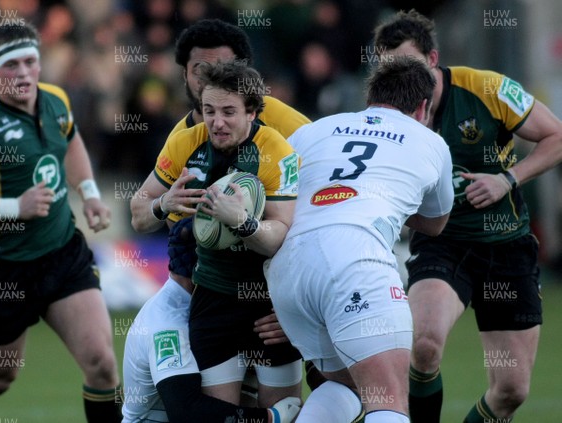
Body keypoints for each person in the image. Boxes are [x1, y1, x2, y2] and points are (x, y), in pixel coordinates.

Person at [373, 9, 562, 423]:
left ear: (433, 60)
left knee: (511, 391)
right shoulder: (386, 114)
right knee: (423, 345)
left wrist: (507, 179)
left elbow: (557, 136)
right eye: (390, 69)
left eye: (408, 66)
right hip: (443, 243)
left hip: (507, 246)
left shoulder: (487, 88)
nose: (400, 79)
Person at [265, 56, 454, 423]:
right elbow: (435, 223)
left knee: (349, 385)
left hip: (287, 268)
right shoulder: (431, 142)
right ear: (422, 106)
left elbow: (279, 196)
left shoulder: (315, 129)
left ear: (371, 97)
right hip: (355, 257)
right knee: (389, 398)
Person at [0, 24, 121, 422]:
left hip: (63, 254)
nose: (24, 73)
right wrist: (16, 207)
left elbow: (71, 140)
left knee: (102, 364)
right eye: (11, 65)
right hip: (4, 268)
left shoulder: (55, 99)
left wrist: (89, 193)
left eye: (31, 62)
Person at [132, 60, 302, 408]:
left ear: (252, 112)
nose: (216, 122)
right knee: (219, 414)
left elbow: (279, 234)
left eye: (228, 112)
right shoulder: (184, 144)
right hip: (211, 299)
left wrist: (242, 221)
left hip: (269, 306)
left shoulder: (277, 150)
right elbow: (138, 213)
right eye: (209, 111)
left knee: (282, 411)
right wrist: (164, 202)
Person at [121, 271, 301, 423]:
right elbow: (185, 412)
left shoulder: (208, 312)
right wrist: (271, 417)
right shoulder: (166, 327)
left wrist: (297, 324)